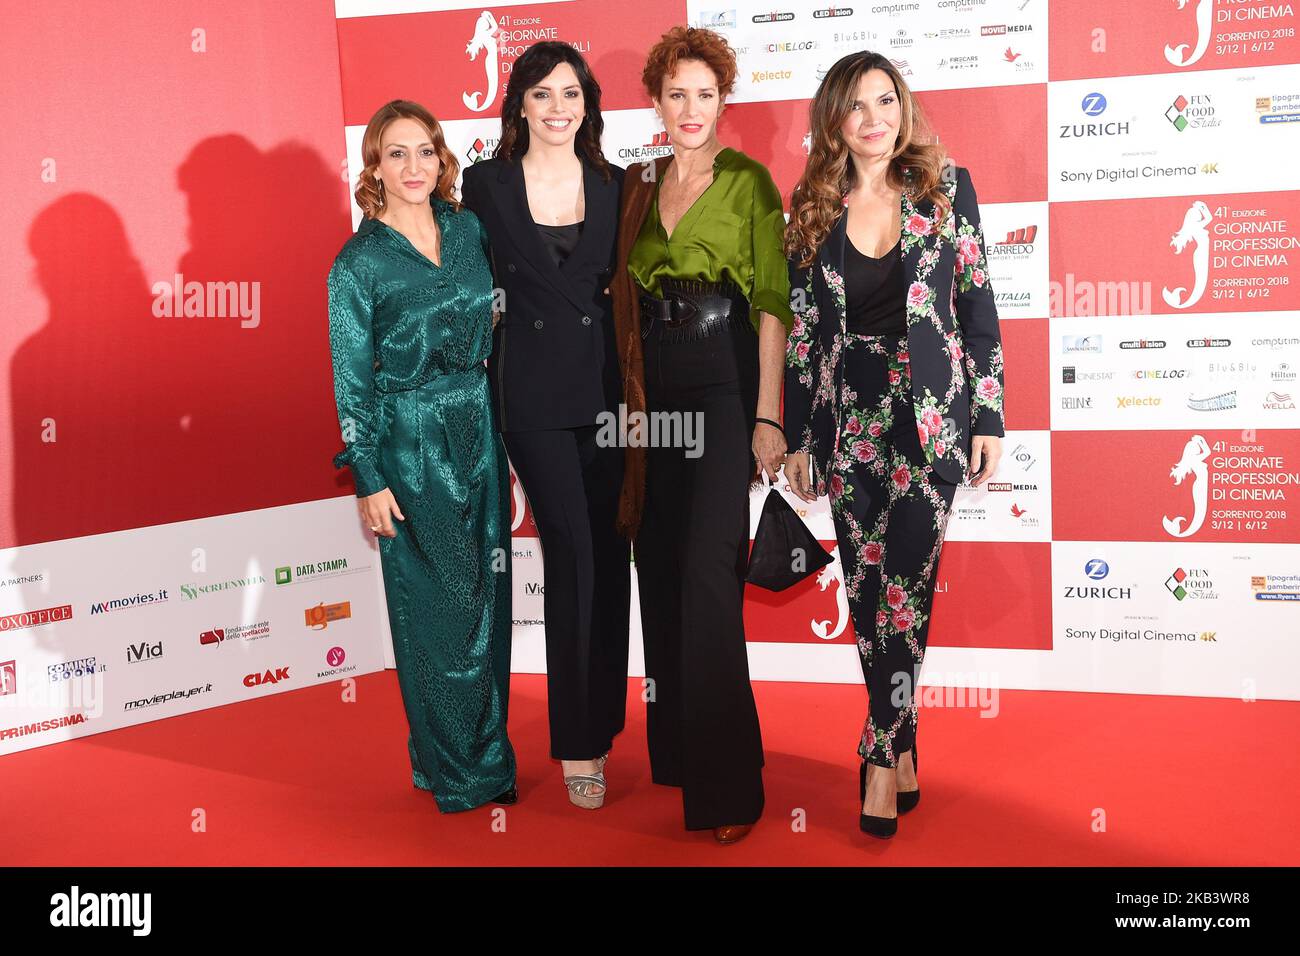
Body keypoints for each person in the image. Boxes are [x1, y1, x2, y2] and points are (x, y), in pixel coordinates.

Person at [782, 52, 1006, 839]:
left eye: (886, 100)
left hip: (928, 418)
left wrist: (987, 417)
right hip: (852, 422)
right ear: (835, 120)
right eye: (857, 106)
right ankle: (905, 743)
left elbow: (978, 310)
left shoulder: (948, 192)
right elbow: (805, 336)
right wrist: (803, 437)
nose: (875, 117)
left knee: (906, 588)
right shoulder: (811, 207)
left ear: (902, 109)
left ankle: (878, 759)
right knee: (870, 600)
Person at [608, 26, 793, 844]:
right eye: (675, 93)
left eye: (705, 94)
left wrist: (767, 414)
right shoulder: (637, 184)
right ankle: (679, 751)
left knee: (711, 579)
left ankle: (730, 789)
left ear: (724, 100)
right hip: (650, 394)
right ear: (655, 100)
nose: (690, 109)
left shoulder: (750, 182)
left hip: (721, 386)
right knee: (663, 570)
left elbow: (772, 305)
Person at [327, 99, 516, 812]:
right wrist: (368, 476)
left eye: (425, 151)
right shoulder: (357, 263)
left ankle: (483, 754)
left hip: (478, 422)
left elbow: (495, 325)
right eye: (396, 153)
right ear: (373, 165)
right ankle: (455, 770)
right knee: (435, 611)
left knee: (486, 601)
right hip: (408, 441)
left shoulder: (466, 230)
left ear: (443, 159)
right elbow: (351, 378)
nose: (414, 167)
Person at [461, 42, 630, 810]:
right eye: (542, 94)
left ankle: (602, 722)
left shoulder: (618, 185)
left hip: (607, 399)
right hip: (529, 397)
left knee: (609, 551)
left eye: (571, 93)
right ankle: (577, 746)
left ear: (588, 104)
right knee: (570, 549)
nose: (559, 108)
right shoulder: (484, 184)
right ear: (519, 104)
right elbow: (461, 285)